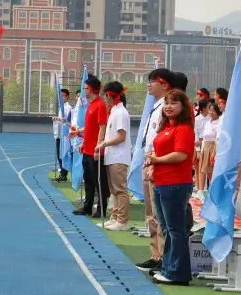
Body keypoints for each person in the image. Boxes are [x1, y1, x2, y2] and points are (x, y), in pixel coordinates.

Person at [145, 89, 196, 284]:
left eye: (174, 102)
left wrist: (157, 160)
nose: (168, 106)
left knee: (176, 230)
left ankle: (178, 273)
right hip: (161, 182)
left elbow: (181, 155)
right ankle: (168, 267)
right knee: (167, 228)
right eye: (166, 102)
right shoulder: (167, 127)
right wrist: (153, 164)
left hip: (175, 183)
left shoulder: (183, 128)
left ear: (183, 106)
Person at [135, 68, 174, 272]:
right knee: (151, 213)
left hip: (156, 163)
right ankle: (155, 254)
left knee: (159, 215)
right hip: (149, 161)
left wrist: (154, 162)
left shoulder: (166, 108)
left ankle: (162, 257)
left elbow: (163, 138)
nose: (148, 85)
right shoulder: (156, 106)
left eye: (152, 81)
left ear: (165, 84)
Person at [96, 81, 131, 231]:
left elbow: (121, 136)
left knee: (120, 189)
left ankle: (122, 220)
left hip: (119, 156)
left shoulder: (121, 113)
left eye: (106, 95)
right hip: (112, 156)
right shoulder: (114, 112)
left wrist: (104, 143)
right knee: (114, 189)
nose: (104, 98)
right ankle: (115, 216)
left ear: (113, 96)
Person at [72, 75, 109, 217]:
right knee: (88, 180)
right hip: (87, 149)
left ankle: (101, 209)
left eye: (86, 88)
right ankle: (87, 206)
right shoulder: (91, 105)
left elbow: (102, 127)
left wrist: (97, 147)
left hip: (95, 151)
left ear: (93, 89)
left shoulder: (100, 105)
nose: (84, 91)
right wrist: (82, 141)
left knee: (98, 180)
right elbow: (89, 127)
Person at [53, 88, 73, 182]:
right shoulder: (61, 107)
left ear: (67, 96)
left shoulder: (68, 108)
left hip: (64, 134)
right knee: (59, 155)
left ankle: (64, 174)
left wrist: (59, 119)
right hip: (59, 134)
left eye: (63, 95)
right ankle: (62, 173)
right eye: (60, 96)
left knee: (63, 154)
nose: (61, 97)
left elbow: (68, 121)